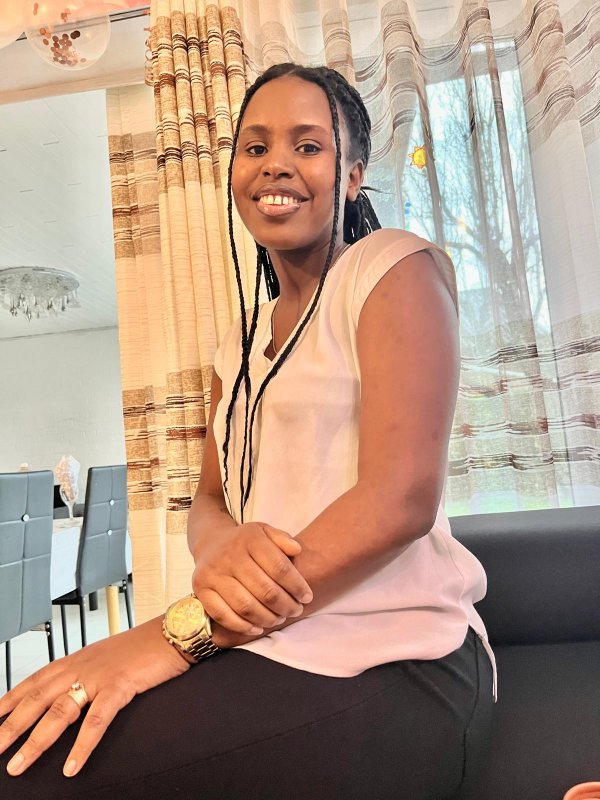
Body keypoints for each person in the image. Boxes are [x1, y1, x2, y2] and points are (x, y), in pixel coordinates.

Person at [0, 63, 496, 799]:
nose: (276, 165)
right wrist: (225, 545)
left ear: (353, 176)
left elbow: (400, 499)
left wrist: (176, 633)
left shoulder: (392, 268)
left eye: (309, 146)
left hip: (402, 656)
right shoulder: (238, 342)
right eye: (256, 146)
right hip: (272, 639)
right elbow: (208, 500)